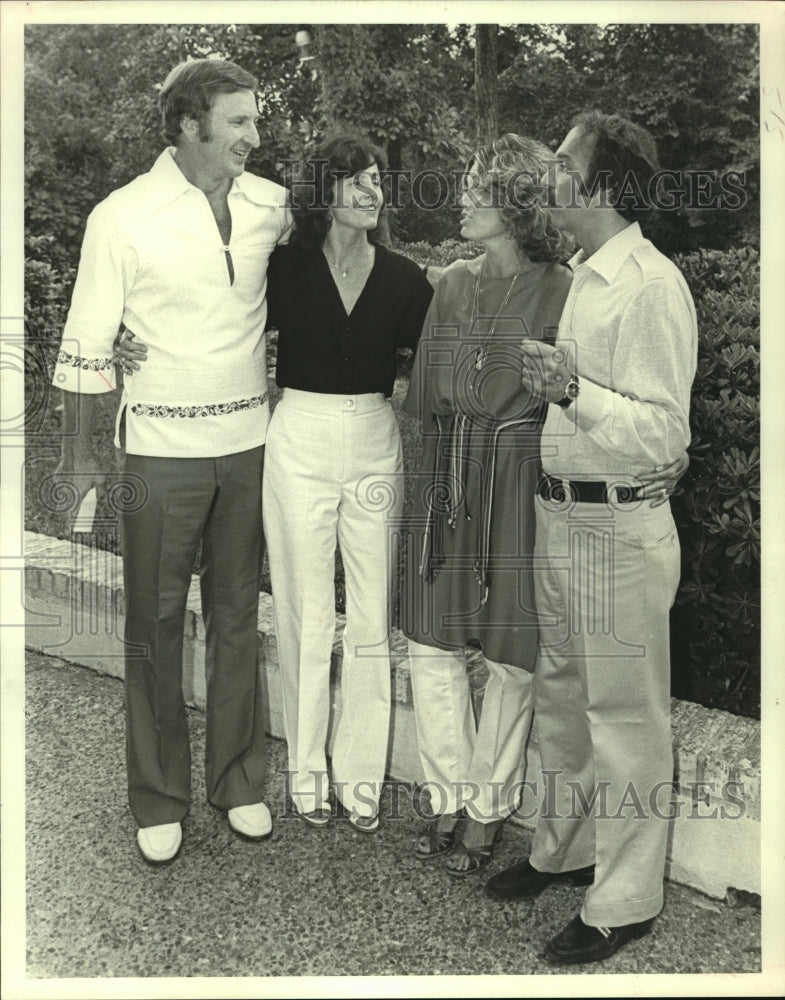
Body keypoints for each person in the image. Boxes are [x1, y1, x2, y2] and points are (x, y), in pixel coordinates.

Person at [53, 59, 292, 864]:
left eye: (255, 122)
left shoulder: (272, 208)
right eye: (238, 123)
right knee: (152, 626)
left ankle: (238, 779)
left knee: (235, 619)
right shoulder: (120, 217)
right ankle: (157, 796)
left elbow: (320, 282)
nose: (254, 138)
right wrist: (84, 456)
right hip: (158, 451)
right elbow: (86, 345)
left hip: (249, 446)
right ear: (189, 127)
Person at [485, 112, 698, 966]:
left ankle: (626, 900)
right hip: (562, 515)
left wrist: (572, 389)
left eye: (565, 163)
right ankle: (565, 851)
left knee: (624, 718)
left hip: (617, 527)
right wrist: (566, 394)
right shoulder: (584, 276)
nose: (549, 175)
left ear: (601, 185)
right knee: (563, 697)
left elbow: (664, 437)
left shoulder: (651, 285)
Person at [401, 134, 574, 875]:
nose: (462, 201)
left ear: (514, 203)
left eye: (476, 189)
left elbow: (575, 398)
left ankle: (486, 807)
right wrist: (419, 494)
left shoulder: (561, 288)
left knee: (512, 655)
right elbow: (421, 398)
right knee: (430, 640)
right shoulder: (452, 284)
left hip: (516, 475)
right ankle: (444, 792)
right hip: (447, 467)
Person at [261, 134, 433, 831]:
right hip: (296, 434)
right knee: (303, 607)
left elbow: (436, 365)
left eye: (378, 180)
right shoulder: (283, 267)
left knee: (367, 614)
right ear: (324, 191)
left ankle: (359, 774)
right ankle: (305, 768)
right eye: (356, 180)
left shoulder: (403, 278)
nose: (372, 192)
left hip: (372, 436)